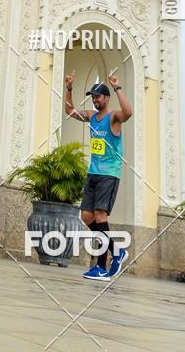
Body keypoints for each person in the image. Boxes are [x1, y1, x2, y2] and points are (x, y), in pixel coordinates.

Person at [64, 70, 132, 282]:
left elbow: (128, 112)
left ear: (106, 98)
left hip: (109, 174)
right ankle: (117, 251)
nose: (94, 99)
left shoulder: (113, 118)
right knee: (87, 216)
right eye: (92, 96)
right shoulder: (92, 116)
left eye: (98, 96)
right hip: (93, 172)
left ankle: (101, 267)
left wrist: (117, 87)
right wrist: (69, 89)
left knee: (101, 216)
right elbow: (71, 112)